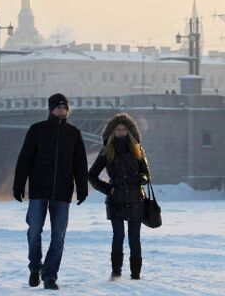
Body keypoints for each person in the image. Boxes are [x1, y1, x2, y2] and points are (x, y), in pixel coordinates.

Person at [13, 93, 88, 290]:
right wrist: (18, 185)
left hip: (63, 193)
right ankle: (34, 267)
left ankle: (50, 276)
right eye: (58, 107)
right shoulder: (37, 130)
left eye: (64, 108)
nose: (61, 111)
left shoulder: (74, 133)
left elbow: (80, 164)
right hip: (38, 190)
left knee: (58, 236)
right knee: (34, 230)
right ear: (51, 109)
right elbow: (25, 160)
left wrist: (82, 188)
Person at [88, 113, 151, 280]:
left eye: (124, 129)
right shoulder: (107, 151)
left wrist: (138, 179)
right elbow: (92, 175)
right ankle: (116, 272)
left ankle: (136, 274)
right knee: (118, 237)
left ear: (129, 131)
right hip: (115, 200)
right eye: (118, 129)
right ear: (112, 131)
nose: (121, 132)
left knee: (134, 239)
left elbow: (147, 175)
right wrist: (108, 189)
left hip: (135, 199)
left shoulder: (137, 149)